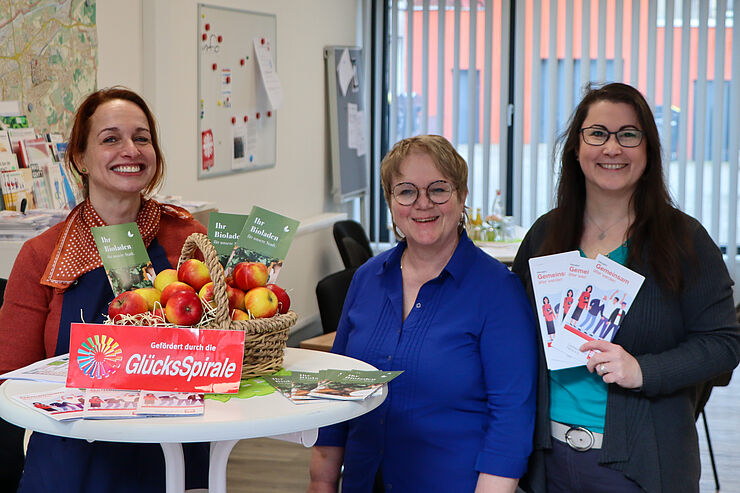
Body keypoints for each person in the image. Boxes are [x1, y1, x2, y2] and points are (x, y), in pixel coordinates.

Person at [511, 82, 740, 493]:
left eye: (628, 135)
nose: (611, 148)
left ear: (648, 150)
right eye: (597, 133)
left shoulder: (685, 240)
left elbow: (724, 343)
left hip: (642, 463)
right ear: (576, 149)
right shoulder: (545, 235)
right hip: (544, 461)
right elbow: (512, 333)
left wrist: (642, 370)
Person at [0, 87, 209, 493]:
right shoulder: (40, 255)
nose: (130, 150)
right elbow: (10, 377)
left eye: (142, 138)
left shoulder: (189, 240)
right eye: (110, 138)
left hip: (173, 456)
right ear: (79, 158)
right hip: (73, 459)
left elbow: (221, 342)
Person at [308, 135, 538, 493]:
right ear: (390, 201)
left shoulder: (498, 292)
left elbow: (511, 418)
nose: (423, 204)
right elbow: (339, 389)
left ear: (462, 197)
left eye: (438, 189)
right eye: (406, 191)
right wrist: (321, 482)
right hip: (363, 481)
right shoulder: (367, 278)